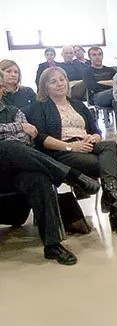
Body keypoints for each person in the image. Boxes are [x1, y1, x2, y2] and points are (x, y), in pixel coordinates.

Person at [0, 72, 100, 265]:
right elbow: (19, 133)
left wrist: (17, 132)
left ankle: (52, 245)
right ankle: (70, 175)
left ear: (2, 91)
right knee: (8, 146)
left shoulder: (14, 111)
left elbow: (27, 138)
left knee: (38, 177)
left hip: (17, 168)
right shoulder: (17, 119)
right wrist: (16, 129)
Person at [27, 67, 117, 236]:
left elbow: (96, 130)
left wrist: (94, 138)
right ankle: (116, 215)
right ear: (45, 87)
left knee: (110, 145)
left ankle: (111, 195)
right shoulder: (40, 108)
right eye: (53, 81)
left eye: (62, 79)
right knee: (105, 166)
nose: (59, 84)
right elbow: (41, 138)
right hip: (61, 151)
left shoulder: (78, 105)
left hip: (86, 144)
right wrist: (71, 146)